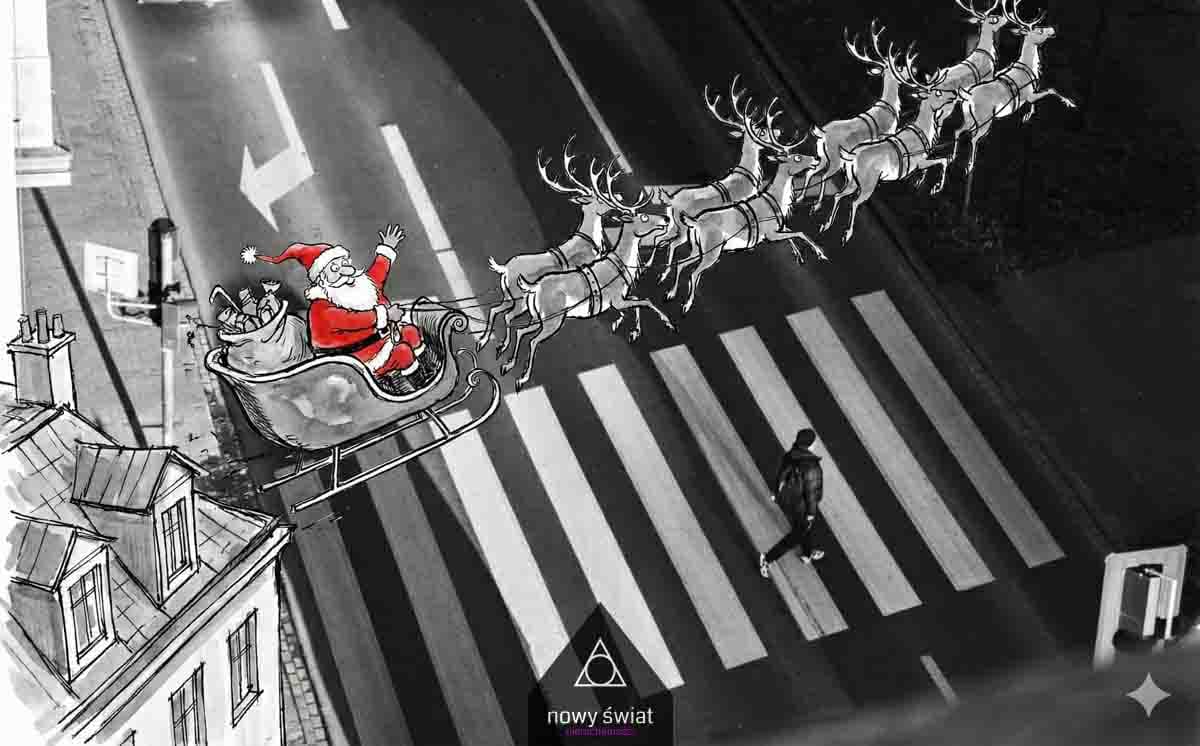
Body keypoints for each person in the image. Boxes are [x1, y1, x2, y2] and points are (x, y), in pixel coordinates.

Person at [241, 224, 433, 393]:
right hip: (353, 361)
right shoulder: (322, 308)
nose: (344, 270)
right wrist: (386, 314)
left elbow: (376, 277)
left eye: (344, 263)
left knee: (411, 333)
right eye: (334, 268)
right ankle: (418, 388)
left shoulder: (355, 286)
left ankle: (427, 371)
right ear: (322, 279)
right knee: (402, 352)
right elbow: (354, 320)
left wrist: (386, 250)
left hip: (374, 344)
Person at [759, 428, 825, 578]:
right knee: (795, 535)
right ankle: (767, 559)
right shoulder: (812, 467)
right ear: (810, 444)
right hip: (802, 505)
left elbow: (782, 474)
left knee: (803, 528)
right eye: (814, 442)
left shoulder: (792, 454)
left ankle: (808, 553)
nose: (816, 444)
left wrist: (776, 492)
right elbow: (811, 493)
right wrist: (811, 513)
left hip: (790, 501)